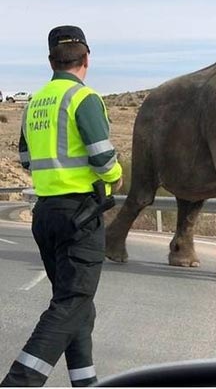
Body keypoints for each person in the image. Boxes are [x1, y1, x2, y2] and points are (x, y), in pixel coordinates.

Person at [2, 26, 123, 387]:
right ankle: (18, 383)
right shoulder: (83, 98)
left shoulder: (36, 102)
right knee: (72, 303)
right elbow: (103, 158)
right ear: (86, 59)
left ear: (51, 61)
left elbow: (25, 158)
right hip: (80, 216)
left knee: (78, 308)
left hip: (45, 215)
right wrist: (115, 174)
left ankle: (85, 383)